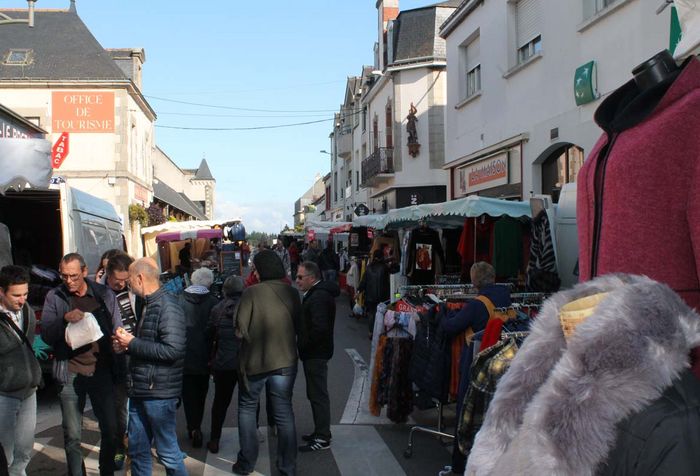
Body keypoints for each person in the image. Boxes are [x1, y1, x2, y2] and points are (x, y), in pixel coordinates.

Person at [41, 253, 122, 476]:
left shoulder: (103, 294)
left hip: (101, 370)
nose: (69, 281)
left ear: (85, 272)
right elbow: (47, 334)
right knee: (72, 435)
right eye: (64, 276)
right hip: (70, 371)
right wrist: (64, 318)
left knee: (110, 429)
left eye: (74, 276)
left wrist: (119, 343)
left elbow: (117, 326)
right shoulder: (54, 297)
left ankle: (107, 471)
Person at [112, 258, 187, 476]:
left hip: (159, 393)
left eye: (129, 283)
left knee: (168, 453)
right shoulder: (150, 303)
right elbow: (150, 343)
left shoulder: (168, 306)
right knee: (137, 450)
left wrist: (132, 343)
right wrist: (126, 346)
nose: (129, 287)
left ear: (139, 278)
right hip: (140, 389)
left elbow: (173, 350)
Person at [233, 250, 301, 476]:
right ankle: (287, 467)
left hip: (254, 362)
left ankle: (246, 463)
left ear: (259, 270)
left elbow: (239, 331)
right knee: (284, 413)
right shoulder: (293, 293)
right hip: (285, 361)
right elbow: (302, 327)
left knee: (247, 409)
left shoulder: (250, 293)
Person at [439, 261, 510, 476]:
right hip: (503, 363)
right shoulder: (506, 295)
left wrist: (443, 312)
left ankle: (461, 468)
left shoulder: (477, 304)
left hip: (478, 364)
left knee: (467, 416)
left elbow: (450, 327)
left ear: (474, 281)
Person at [0, 266, 41, 476]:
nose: (22, 299)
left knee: (24, 452)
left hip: (29, 393)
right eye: (16, 295)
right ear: (1, 291)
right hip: (4, 396)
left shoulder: (27, 311)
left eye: (25, 294)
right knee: (4, 456)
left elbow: (29, 345)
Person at [295, 261, 339, 452]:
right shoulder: (316, 294)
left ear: (312, 278)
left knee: (318, 395)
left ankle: (322, 437)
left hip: (316, 354)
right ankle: (320, 431)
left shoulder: (318, 297)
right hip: (316, 352)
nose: (297, 281)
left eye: (300, 277)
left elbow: (319, 328)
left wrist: (304, 344)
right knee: (315, 394)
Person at [104, 253, 137, 470]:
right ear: (108, 275)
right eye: (118, 280)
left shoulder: (135, 291)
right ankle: (119, 449)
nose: (122, 284)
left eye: (126, 279)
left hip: (136, 354)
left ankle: (136, 448)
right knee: (119, 409)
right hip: (114, 358)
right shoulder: (99, 293)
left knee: (137, 407)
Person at [205, 275, 244, 453]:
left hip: (223, 362)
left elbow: (209, 334)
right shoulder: (249, 306)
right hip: (246, 362)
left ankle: (215, 438)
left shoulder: (217, 309)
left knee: (220, 402)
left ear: (225, 291)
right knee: (249, 403)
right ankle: (251, 436)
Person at [181, 267, 219, 448]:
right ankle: (196, 425)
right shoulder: (213, 301)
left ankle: (193, 425)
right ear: (210, 283)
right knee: (201, 393)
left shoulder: (178, 300)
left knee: (188, 394)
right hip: (205, 355)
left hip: (184, 355)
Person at [358, 250, 392, 339]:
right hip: (382, 296)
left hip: (370, 296)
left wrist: (359, 291)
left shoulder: (369, 267)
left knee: (371, 314)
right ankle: (379, 333)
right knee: (381, 314)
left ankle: (370, 332)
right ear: (382, 257)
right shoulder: (384, 268)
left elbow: (363, 281)